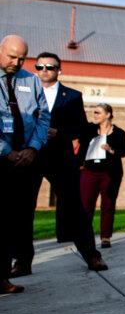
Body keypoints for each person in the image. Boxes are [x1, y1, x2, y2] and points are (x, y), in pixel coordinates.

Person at [23, 51, 107, 274]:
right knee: (23, 208)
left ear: (59, 70)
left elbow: (81, 128)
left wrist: (58, 132)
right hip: (30, 155)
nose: (44, 71)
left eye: (50, 67)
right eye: (40, 67)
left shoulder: (71, 96)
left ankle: (92, 255)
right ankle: (22, 262)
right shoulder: (23, 93)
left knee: (74, 207)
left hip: (59, 157)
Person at [1, 35, 50, 295]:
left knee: (13, 220)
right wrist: (5, 151)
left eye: (21, 58)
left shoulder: (30, 80)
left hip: (26, 161)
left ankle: (2, 276)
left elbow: (43, 117)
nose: (16, 62)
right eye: (11, 56)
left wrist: (33, 148)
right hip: (1, 158)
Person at [78, 102, 125, 249]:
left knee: (108, 204)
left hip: (110, 173)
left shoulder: (119, 133)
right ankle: (85, 237)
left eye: (97, 112)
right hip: (90, 172)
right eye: (93, 112)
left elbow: (124, 151)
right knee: (86, 205)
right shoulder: (89, 130)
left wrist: (110, 149)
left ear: (107, 115)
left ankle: (105, 237)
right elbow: (78, 131)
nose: (94, 115)